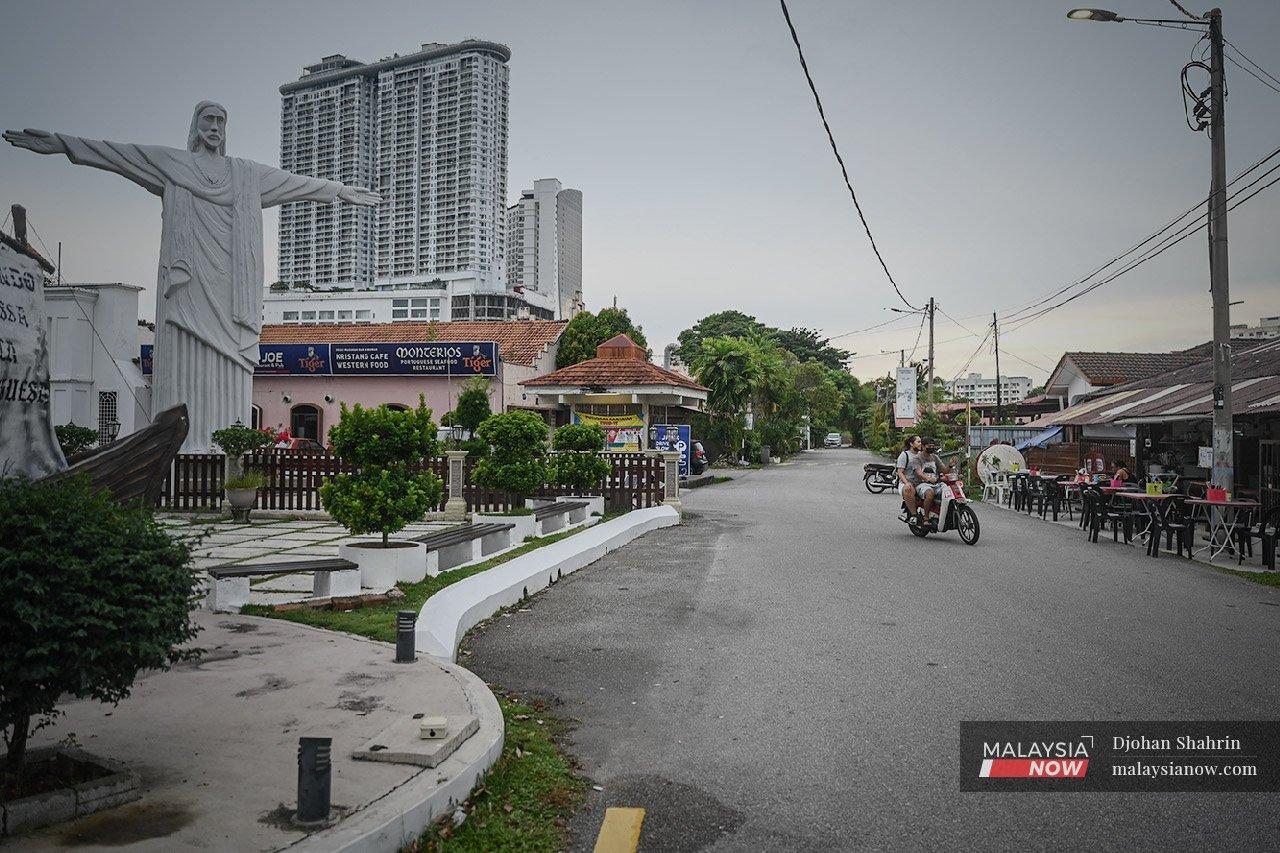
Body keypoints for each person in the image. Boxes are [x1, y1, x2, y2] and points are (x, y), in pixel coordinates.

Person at [896, 435, 935, 525]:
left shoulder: (922, 455)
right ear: (911, 444)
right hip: (907, 481)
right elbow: (900, 472)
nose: (920, 444)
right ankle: (914, 515)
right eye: (918, 442)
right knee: (908, 490)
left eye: (921, 442)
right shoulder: (904, 455)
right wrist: (906, 483)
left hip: (921, 482)